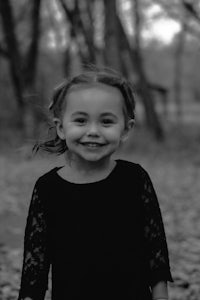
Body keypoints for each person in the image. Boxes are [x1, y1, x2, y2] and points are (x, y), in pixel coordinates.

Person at [18, 66, 173, 300]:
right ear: (61, 128)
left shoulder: (135, 179)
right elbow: (34, 272)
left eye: (106, 122)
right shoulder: (47, 189)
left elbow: (156, 256)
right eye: (80, 120)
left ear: (126, 129)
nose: (93, 131)